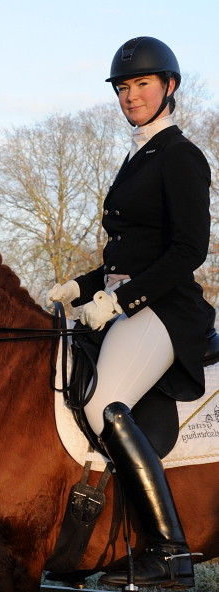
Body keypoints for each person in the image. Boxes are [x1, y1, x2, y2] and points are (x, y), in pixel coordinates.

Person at [47, 36, 214, 588]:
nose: (130, 95)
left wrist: (119, 300)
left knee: (103, 406)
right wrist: (80, 286)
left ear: (169, 87)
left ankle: (167, 552)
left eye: (141, 84)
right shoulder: (138, 155)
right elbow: (131, 252)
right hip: (128, 305)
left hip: (166, 311)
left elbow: (188, 250)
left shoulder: (182, 156)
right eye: (123, 87)